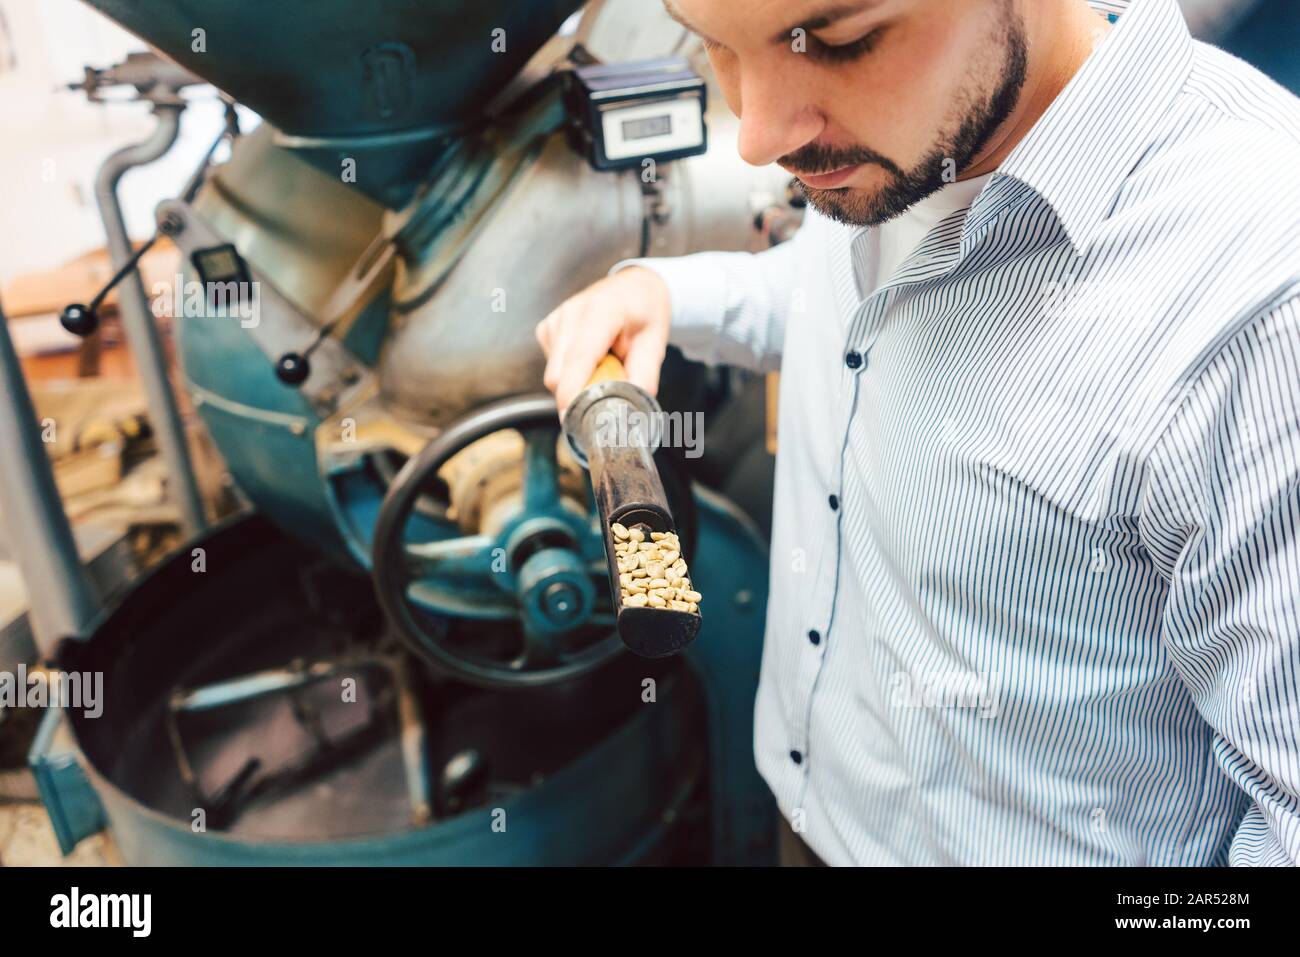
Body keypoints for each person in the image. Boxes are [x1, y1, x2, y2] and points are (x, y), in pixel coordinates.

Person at [536, 0, 1300, 865]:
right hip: (809, 817)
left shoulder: (1263, 313)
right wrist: (673, 294)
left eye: (841, 42)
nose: (758, 134)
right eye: (714, 43)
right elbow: (851, 294)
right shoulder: (895, 154)